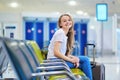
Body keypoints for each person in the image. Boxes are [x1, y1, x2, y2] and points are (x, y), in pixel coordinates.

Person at [47, 13, 92, 80]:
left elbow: (62, 53)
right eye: (64, 21)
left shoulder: (65, 34)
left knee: (83, 62)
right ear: (60, 24)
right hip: (54, 64)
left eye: (69, 20)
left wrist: (73, 58)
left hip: (58, 62)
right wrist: (72, 60)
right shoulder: (60, 32)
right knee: (85, 60)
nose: (67, 22)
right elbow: (56, 53)